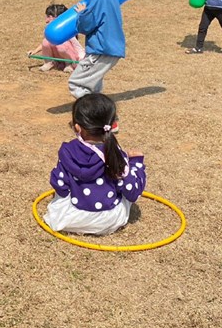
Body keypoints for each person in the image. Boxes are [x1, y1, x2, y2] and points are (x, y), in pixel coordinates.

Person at [43, 93, 146, 236]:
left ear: (77, 127)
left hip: (72, 220)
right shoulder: (115, 153)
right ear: (112, 125)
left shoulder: (67, 151)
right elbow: (132, 192)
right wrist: (136, 163)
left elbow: (59, 184)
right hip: (108, 222)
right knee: (125, 187)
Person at [68, 0, 126, 98]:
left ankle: (93, 116)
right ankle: (100, 114)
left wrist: (82, 13)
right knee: (93, 85)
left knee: (78, 84)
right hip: (109, 49)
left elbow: (86, 27)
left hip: (101, 50)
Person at [28, 4, 85, 72]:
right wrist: (34, 51)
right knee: (46, 41)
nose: (46, 20)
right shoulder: (49, 30)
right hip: (59, 58)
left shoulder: (66, 31)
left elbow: (77, 47)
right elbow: (44, 44)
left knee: (61, 44)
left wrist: (82, 58)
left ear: (58, 17)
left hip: (73, 58)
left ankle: (69, 64)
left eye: (49, 16)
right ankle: (49, 63)